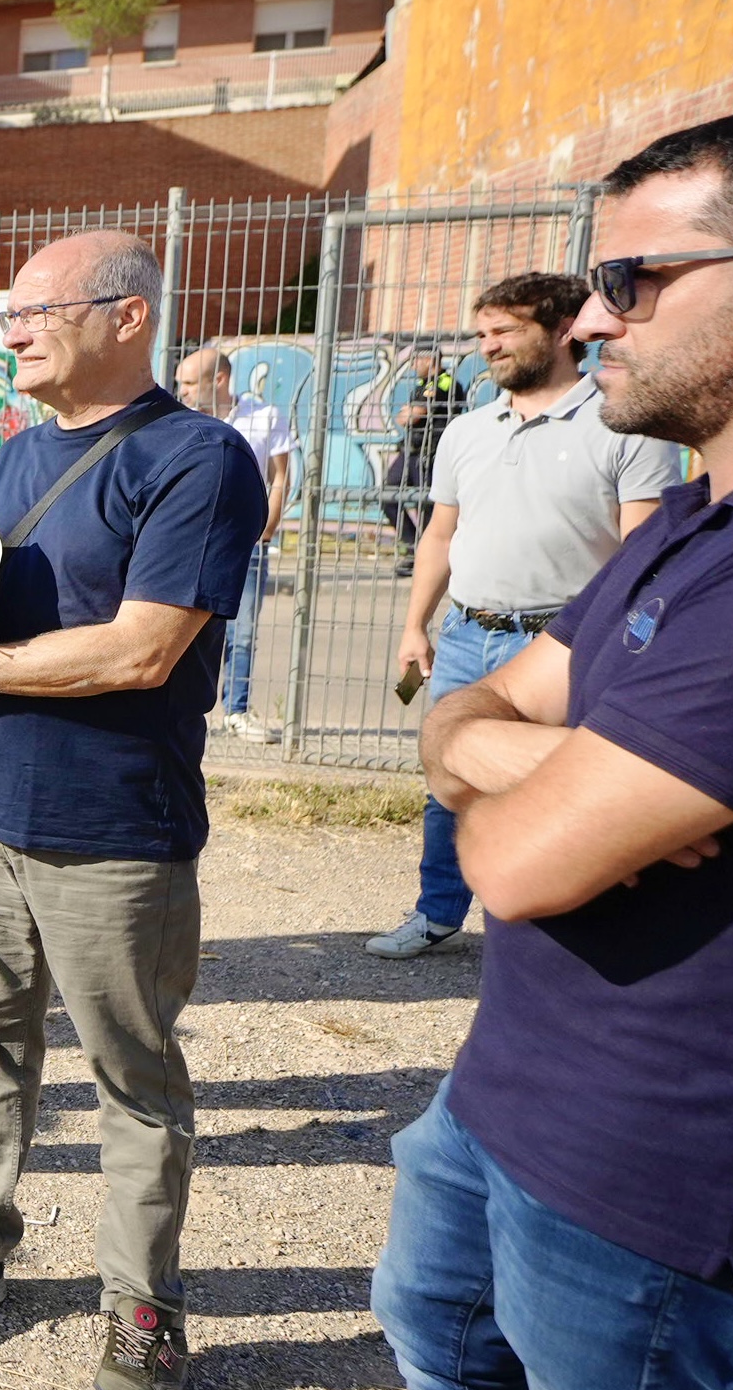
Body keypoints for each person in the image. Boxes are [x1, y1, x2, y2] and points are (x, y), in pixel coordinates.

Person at [236, 102, 733, 1390]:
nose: (594, 313)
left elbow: (513, 864)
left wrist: (535, 782)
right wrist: (556, 766)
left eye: (636, 276)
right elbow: (474, 719)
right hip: (517, 1093)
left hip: (683, 1167)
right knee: (442, 1342)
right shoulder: (692, 519)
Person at [0, 230, 267, 1390]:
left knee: (132, 1075)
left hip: (113, 825)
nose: (10, 332)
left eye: (34, 310)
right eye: (8, 314)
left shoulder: (195, 458)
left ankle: (141, 1306)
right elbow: (8, 600)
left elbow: (142, 646)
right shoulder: (12, 457)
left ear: (124, 315)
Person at [365, 273, 673, 960]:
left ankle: (556, 931)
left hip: (561, 646)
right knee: (448, 780)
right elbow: (439, 536)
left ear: (563, 330)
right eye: (482, 334)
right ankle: (437, 912)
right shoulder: (468, 432)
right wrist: (416, 624)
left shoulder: (624, 422)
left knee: (559, 786)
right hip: (467, 632)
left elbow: (642, 552)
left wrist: (617, 644)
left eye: (505, 331)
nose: (488, 346)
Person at [173, 343, 297, 741]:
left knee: (242, 632)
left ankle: (237, 710)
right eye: (181, 384)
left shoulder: (264, 416)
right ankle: (182, 707)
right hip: (190, 543)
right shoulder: (178, 420)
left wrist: (268, 524)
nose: (184, 392)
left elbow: (280, 476)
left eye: (191, 383)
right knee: (181, 628)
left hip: (245, 544)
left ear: (220, 380)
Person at [388, 344, 468, 556]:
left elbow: (411, 416)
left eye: (416, 361)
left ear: (428, 360)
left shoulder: (443, 383)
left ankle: (427, 554)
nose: (413, 366)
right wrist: (408, 413)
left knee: (428, 506)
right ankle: (413, 544)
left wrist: (409, 412)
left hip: (429, 453)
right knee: (388, 494)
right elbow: (405, 417)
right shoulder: (423, 384)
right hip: (412, 450)